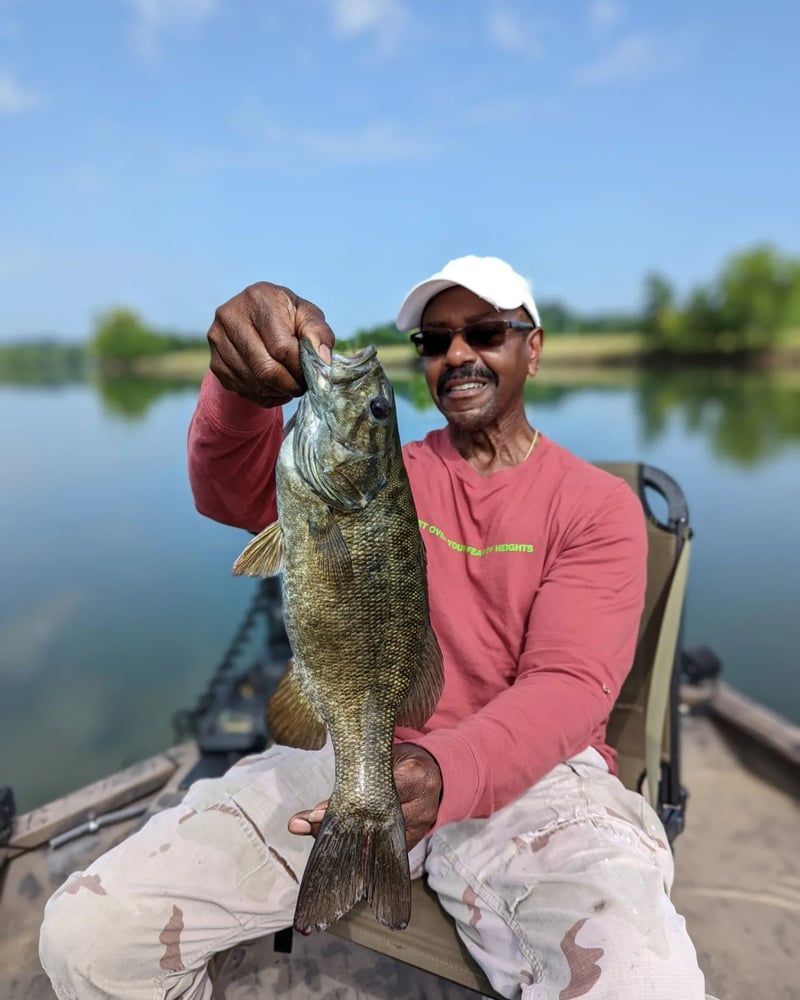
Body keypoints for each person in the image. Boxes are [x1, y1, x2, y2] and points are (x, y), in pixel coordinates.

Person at [39, 255, 713, 1000]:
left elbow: (571, 683)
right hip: (359, 743)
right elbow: (230, 492)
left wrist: (451, 771)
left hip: (537, 778)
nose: (456, 354)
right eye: (434, 340)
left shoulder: (596, 504)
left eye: (485, 332)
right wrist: (238, 390)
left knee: (647, 984)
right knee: (90, 938)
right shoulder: (384, 470)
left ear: (535, 345)